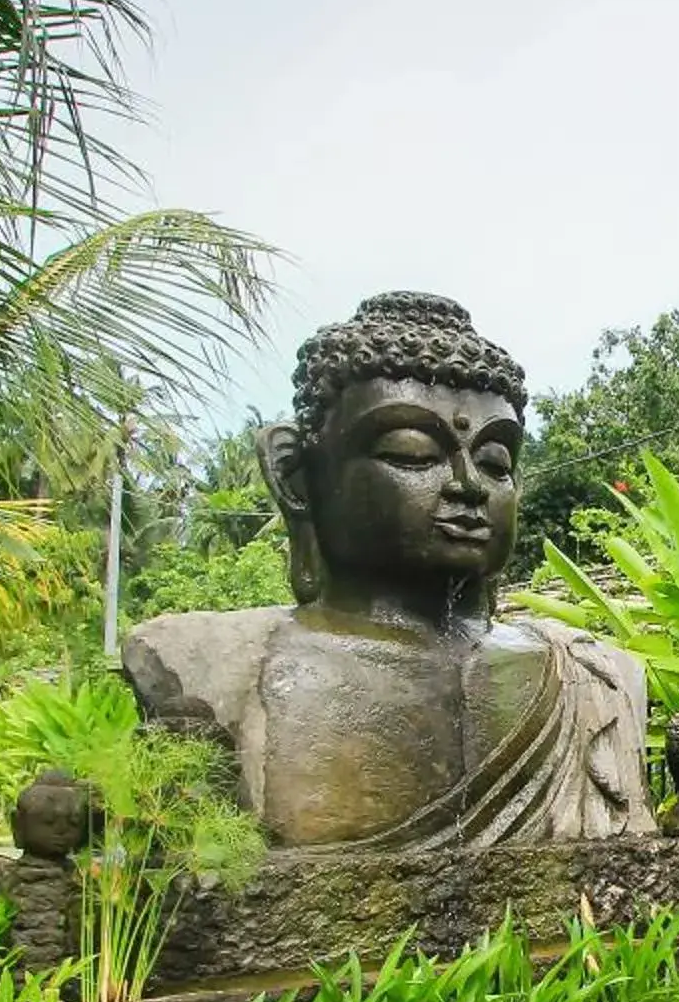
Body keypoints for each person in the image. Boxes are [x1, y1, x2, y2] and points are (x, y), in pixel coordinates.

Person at [124, 293, 651, 849]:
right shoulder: (207, 664)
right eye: (412, 453)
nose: (469, 485)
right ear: (297, 477)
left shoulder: (594, 680)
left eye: (495, 461)